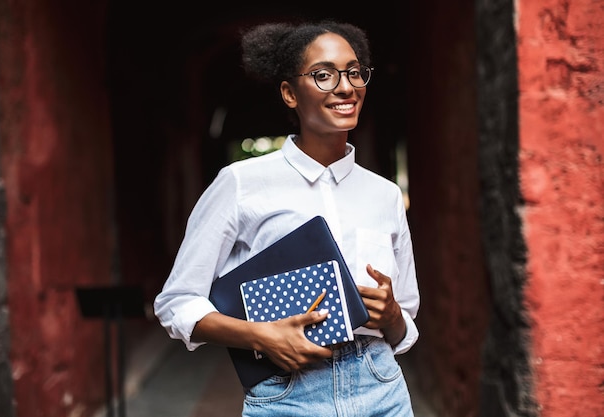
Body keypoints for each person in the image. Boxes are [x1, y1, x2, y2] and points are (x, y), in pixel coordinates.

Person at [154, 20, 420, 417]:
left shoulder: (384, 195)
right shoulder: (241, 184)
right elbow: (176, 303)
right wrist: (261, 336)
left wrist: (394, 315)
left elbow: (406, 323)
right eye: (323, 75)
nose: (345, 87)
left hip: (381, 388)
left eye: (353, 72)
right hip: (287, 394)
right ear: (289, 93)